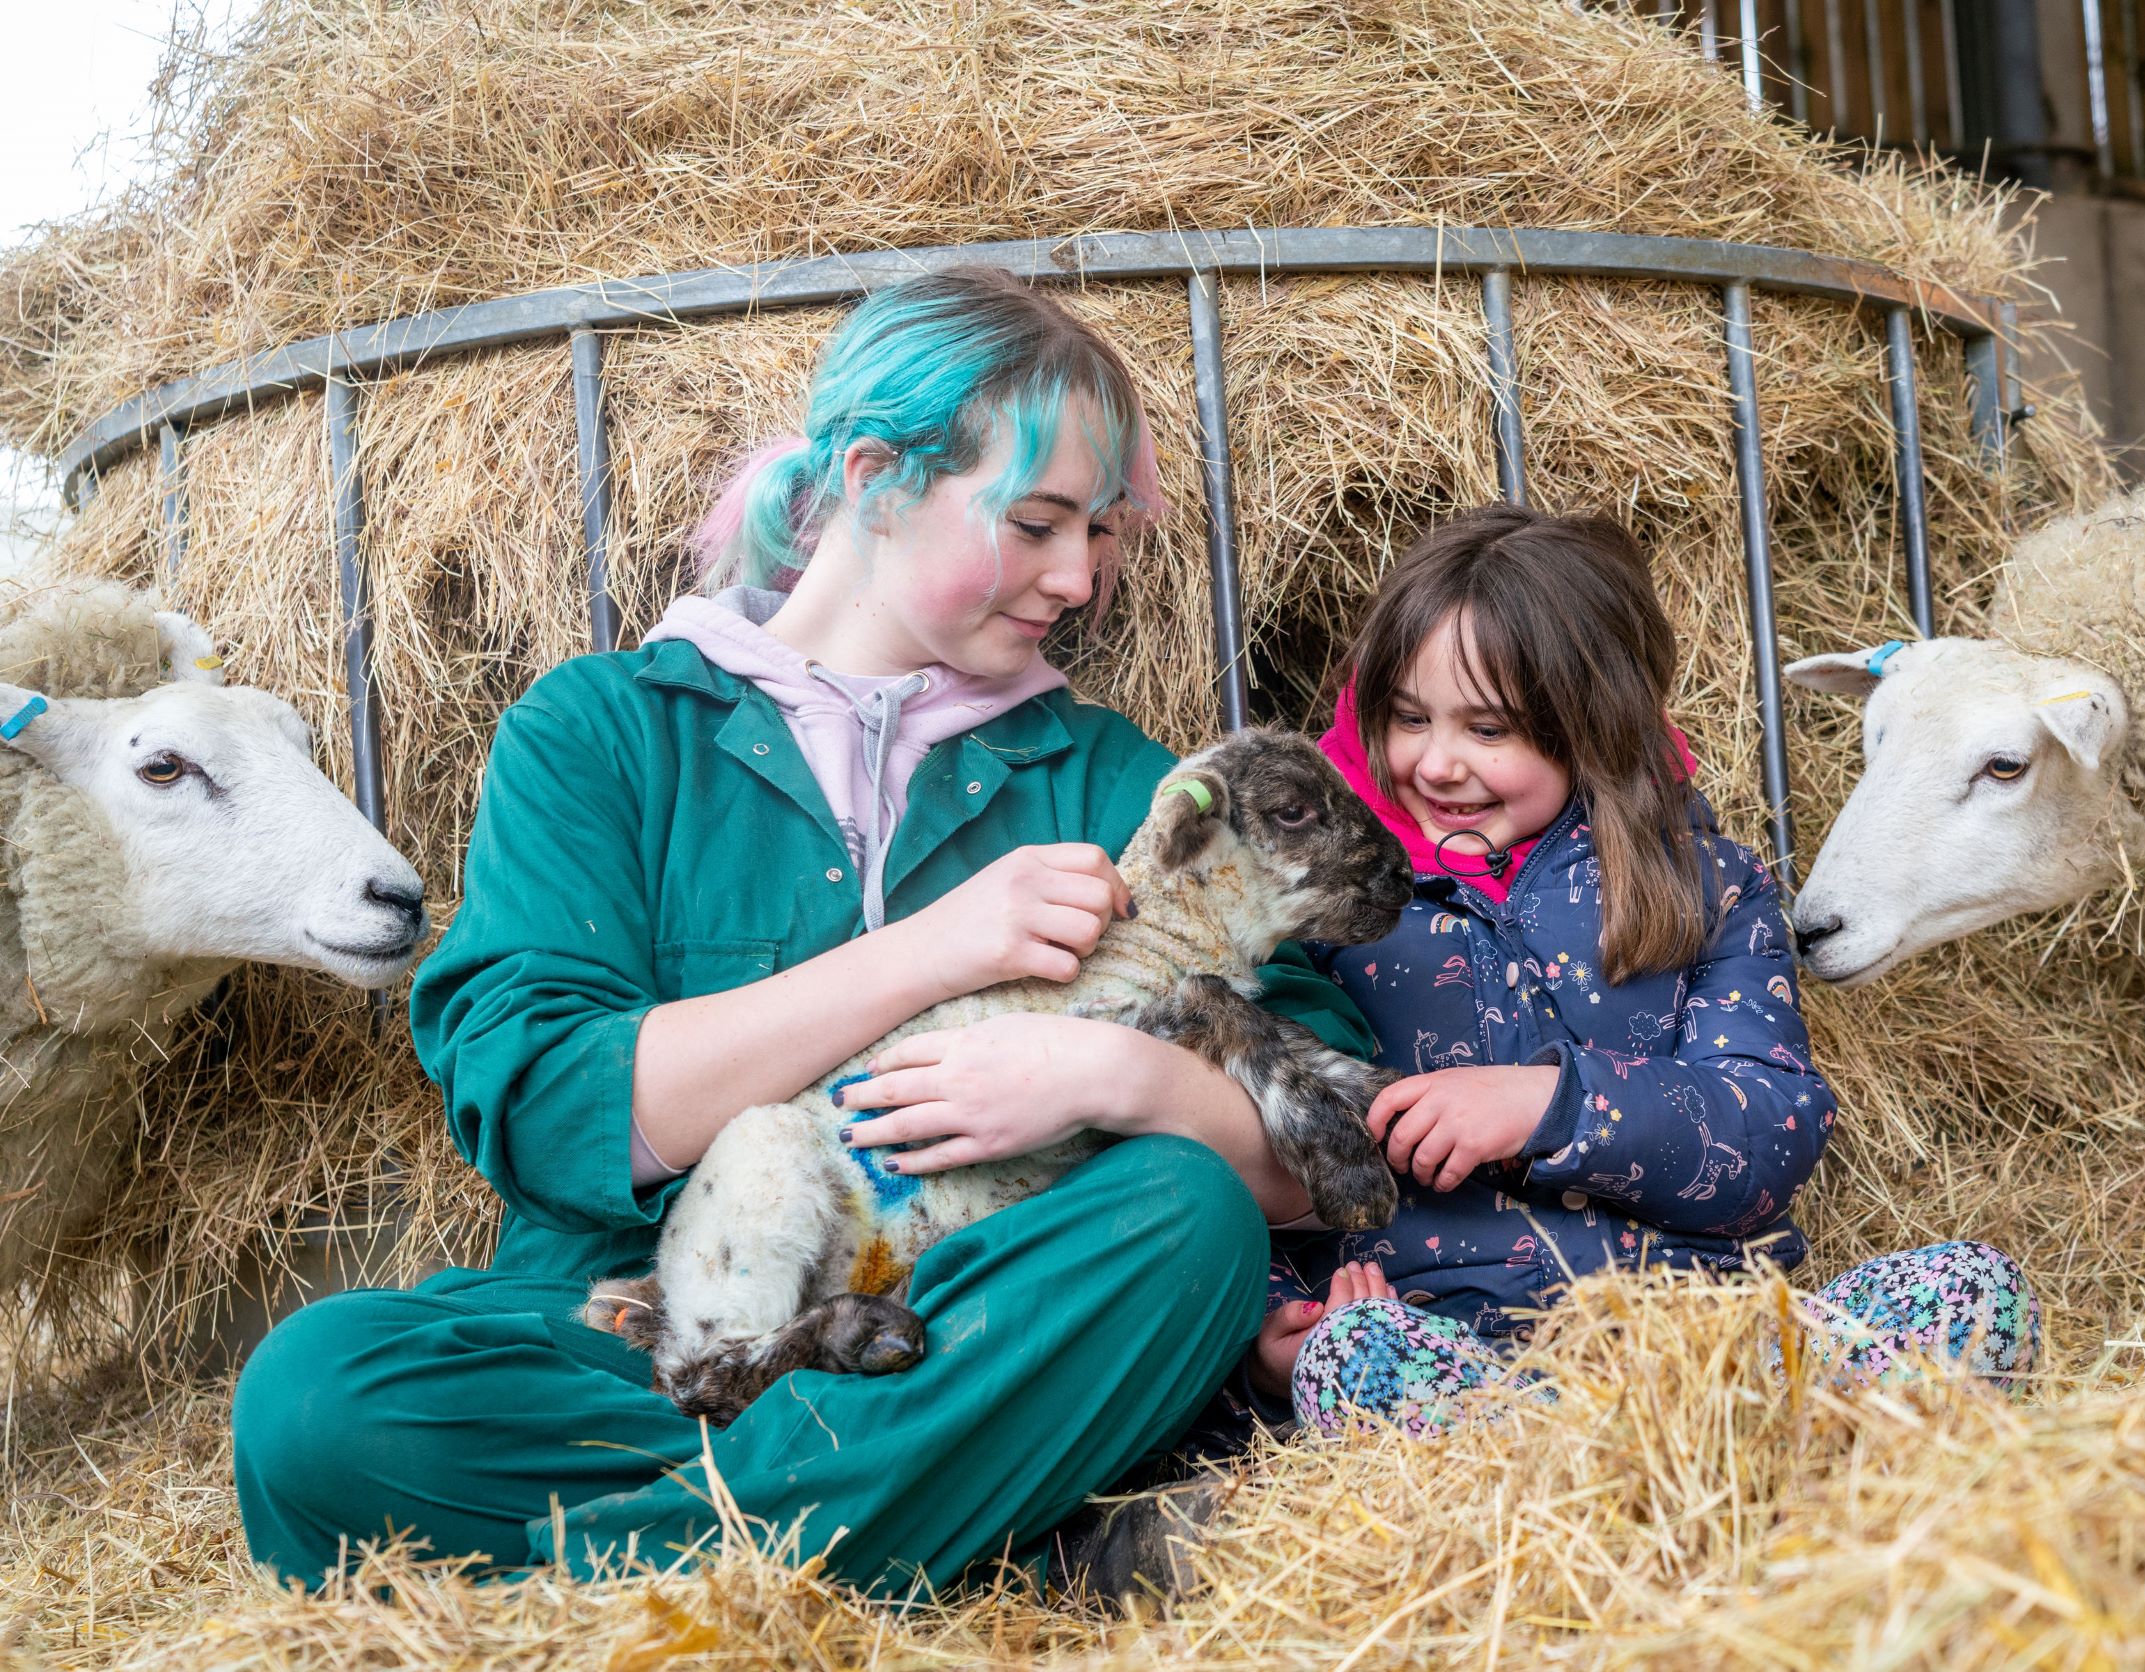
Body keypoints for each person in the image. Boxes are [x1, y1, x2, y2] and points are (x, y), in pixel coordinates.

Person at [228, 268, 1374, 1597]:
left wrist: (1130, 1079)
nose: (1078, 576)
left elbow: (1324, 1156)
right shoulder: (598, 733)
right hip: (654, 1330)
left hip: (979, 1320)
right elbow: (550, 1111)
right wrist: (936, 948)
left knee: (1186, 1219)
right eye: (1039, 520)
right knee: (316, 1401)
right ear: (877, 475)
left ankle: (652, 1587)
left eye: (1103, 531)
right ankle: (971, 1534)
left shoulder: (1112, 780)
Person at [1242, 505, 2038, 1437]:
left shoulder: (1708, 887)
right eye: (1408, 718)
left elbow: (1770, 1132)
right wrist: (1271, 1326)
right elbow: (1241, 1141)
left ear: (1591, 724)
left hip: (1708, 1334)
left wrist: (1556, 1105)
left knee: (1973, 1290)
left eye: (1488, 729)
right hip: (1464, 1350)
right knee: (1350, 1362)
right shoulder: (1308, 913)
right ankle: (1596, 1462)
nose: (1436, 761)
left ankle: (1713, 1442)